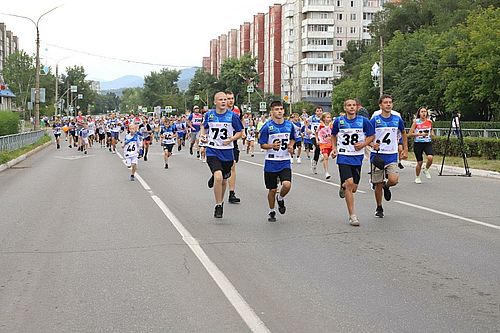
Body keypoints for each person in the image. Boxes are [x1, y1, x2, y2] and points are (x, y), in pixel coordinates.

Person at [331, 99, 375, 226]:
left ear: (357, 108)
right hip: (343, 156)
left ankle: (343, 185)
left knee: (354, 188)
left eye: (353, 105)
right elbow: (333, 135)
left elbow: (371, 135)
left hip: (357, 157)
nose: (351, 107)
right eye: (349, 105)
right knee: (350, 183)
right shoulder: (339, 121)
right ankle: (352, 216)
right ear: (345, 108)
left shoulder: (363, 121)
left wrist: (363, 144)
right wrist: (334, 148)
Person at [200, 92, 243, 218]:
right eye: (220, 100)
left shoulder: (232, 116)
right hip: (213, 149)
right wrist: (203, 135)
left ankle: (221, 200)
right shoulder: (209, 114)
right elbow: (204, 126)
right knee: (219, 177)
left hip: (227, 152)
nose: (223, 102)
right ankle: (218, 205)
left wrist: (231, 139)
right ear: (215, 102)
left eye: (225, 99)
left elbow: (240, 132)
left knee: (224, 180)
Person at [370, 95, 408, 218]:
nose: (388, 105)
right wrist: (372, 143)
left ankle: (387, 187)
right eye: (385, 102)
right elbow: (367, 135)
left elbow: (403, 132)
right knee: (378, 184)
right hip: (378, 155)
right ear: (380, 105)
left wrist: (405, 149)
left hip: (391, 154)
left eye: (390, 102)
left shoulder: (397, 119)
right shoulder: (375, 119)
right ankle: (379, 207)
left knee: (393, 179)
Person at [258, 101, 295, 222]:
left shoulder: (289, 125)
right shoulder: (267, 127)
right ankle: (271, 210)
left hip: (284, 161)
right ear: (272, 112)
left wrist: (291, 146)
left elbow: (294, 139)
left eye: (281, 109)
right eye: (276, 109)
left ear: (284, 111)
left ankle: (281, 197)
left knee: (287, 184)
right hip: (271, 162)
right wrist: (271, 146)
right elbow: (262, 145)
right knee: (272, 189)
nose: (279, 111)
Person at [225, 90, 244, 204]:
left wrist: (243, 131)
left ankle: (232, 193)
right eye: (228, 98)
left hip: (233, 141)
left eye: (232, 98)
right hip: (220, 142)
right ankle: (216, 174)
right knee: (223, 166)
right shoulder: (220, 111)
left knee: (232, 166)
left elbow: (241, 120)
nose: (230, 101)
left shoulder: (237, 110)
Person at [409, 107, 434, 184]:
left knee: (430, 157)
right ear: (419, 113)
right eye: (422, 112)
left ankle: (426, 169)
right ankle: (417, 177)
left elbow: (431, 129)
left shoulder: (430, 122)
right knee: (420, 162)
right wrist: (420, 134)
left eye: (425, 112)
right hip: (418, 143)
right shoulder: (416, 122)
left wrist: (432, 133)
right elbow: (409, 134)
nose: (424, 113)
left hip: (427, 142)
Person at [316, 112, 334, 179]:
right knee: (326, 157)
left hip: (330, 143)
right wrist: (317, 140)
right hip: (323, 143)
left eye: (330, 117)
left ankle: (323, 157)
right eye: (327, 117)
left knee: (327, 156)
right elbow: (316, 132)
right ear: (323, 118)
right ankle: (326, 172)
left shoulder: (331, 126)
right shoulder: (320, 126)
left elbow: (334, 134)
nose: (329, 119)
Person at [309, 106, 323, 174]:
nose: (319, 112)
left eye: (320, 111)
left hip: (322, 136)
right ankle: (314, 163)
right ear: (315, 112)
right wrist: (307, 129)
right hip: (313, 135)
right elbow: (305, 122)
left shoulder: (324, 118)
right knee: (317, 147)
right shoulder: (312, 118)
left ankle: (315, 161)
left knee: (319, 149)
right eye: (317, 111)